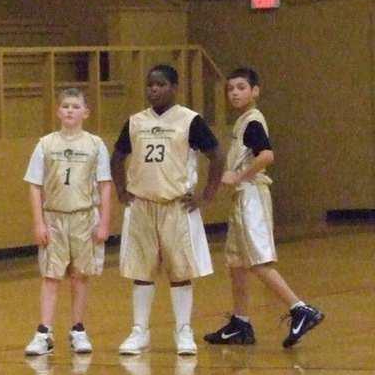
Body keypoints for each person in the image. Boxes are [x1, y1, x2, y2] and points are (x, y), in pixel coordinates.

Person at [203, 67, 323, 348]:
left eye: (241, 87)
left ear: (255, 91)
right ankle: (240, 323)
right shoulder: (242, 121)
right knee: (236, 260)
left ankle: (300, 309)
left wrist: (239, 176)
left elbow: (266, 155)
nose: (234, 92)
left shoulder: (254, 121)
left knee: (257, 260)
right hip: (241, 196)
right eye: (231, 88)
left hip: (251, 196)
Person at [110, 65, 225, 356]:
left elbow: (216, 155)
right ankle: (140, 330)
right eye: (150, 85)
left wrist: (208, 193)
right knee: (141, 269)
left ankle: (183, 330)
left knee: (180, 269)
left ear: (174, 88)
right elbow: (118, 156)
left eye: (160, 84)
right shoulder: (135, 122)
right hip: (142, 205)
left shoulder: (190, 121)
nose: (153, 89)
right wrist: (121, 190)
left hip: (176, 205)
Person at [22, 88, 113, 356]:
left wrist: (104, 222)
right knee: (51, 276)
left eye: (75, 106)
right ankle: (44, 333)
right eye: (65, 106)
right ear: (58, 112)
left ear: (86, 112)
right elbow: (35, 186)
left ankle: (78, 330)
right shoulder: (46, 144)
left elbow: (105, 185)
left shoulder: (95, 145)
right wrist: (39, 223)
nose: (70, 110)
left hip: (85, 216)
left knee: (80, 276)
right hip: (54, 217)